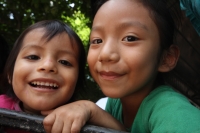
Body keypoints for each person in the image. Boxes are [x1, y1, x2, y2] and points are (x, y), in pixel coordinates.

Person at [42, 0, 200, 133]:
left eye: (130, 38)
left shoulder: (175, 114)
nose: (105, 54)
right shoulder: (115, 104)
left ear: (166, 58)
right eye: (97, 40)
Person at [0, 20, 86, 132]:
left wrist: (90, 110)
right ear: (10, 74)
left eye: (64, 62)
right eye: (33, 57)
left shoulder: (80, 119)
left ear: (77, 83)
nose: (48, 65)